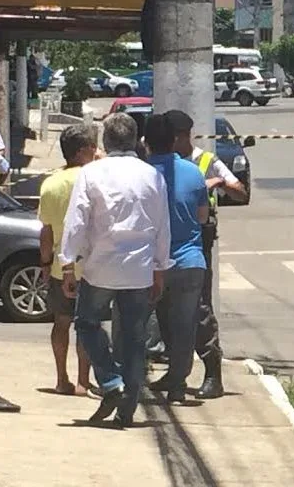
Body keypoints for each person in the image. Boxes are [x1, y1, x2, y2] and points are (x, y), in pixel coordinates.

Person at [60, 113, 173, 427]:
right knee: (134, 338)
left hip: (100, 267)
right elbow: (163, 227)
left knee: (86, 324)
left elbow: (76, 222)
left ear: (106, 141)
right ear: (135, 140)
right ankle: (127, 408)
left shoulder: (91, 173)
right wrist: (160, 269)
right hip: (139, 269)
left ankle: (111, 382)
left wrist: (67, 265)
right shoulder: (153, 176)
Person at [166, 110, 249, 399]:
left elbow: (242, 193)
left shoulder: (206, 161)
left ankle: (213, 375)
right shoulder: (164, 161)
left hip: (197, 242)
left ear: (181, 137)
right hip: (166, 241)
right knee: (165, 311)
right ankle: (175, 373)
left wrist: (218, 183)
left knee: (200, 310)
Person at [143, 115, 210, 403]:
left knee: (138, 323)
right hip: (189, 262)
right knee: (185, 327)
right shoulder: (194, 173)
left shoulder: (141, 173)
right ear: (174, 141)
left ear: (145, 143)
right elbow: (203, 217)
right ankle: (178, 384)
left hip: (149, 265)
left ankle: (130, 381)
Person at [38, 124, 97, 397]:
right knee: (87, 324)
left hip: (62, 268)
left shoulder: (50, 184)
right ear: (83, 151)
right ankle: (84, 381)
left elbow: (46, 231)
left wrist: (44, 264)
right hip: (94, 267)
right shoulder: (96, 177)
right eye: (93, 147)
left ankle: (62, 379)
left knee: (61, 322)